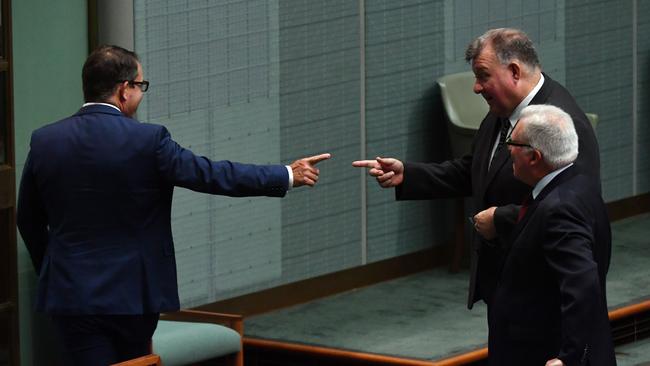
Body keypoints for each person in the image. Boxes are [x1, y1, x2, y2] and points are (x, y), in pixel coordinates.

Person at [16, 45, 330, 365]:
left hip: (71, 295)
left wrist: (55, 269)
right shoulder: (148, 141)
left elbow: (27, 218)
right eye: (141, 85)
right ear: (124, 90)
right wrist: (287, 174)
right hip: (133, 294)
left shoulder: (45, 140)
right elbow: (212, 175)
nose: (142, 93)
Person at [352, 28, 600, 310]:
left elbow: (577, 208)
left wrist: (501, 220)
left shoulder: (562, 123)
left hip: (543, 291)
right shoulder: (505, 111)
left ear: (515, 71)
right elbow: (477, 170)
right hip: (507, 285)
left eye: (483, 76)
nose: (476, 87)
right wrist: (408, 174)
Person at [488, 104, 614, 365]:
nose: (508, 149)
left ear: (534, 157)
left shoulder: (560, 209)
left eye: (513, 142)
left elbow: (582, 282)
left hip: (543, 352)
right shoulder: (578, 182)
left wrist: (568, 356)